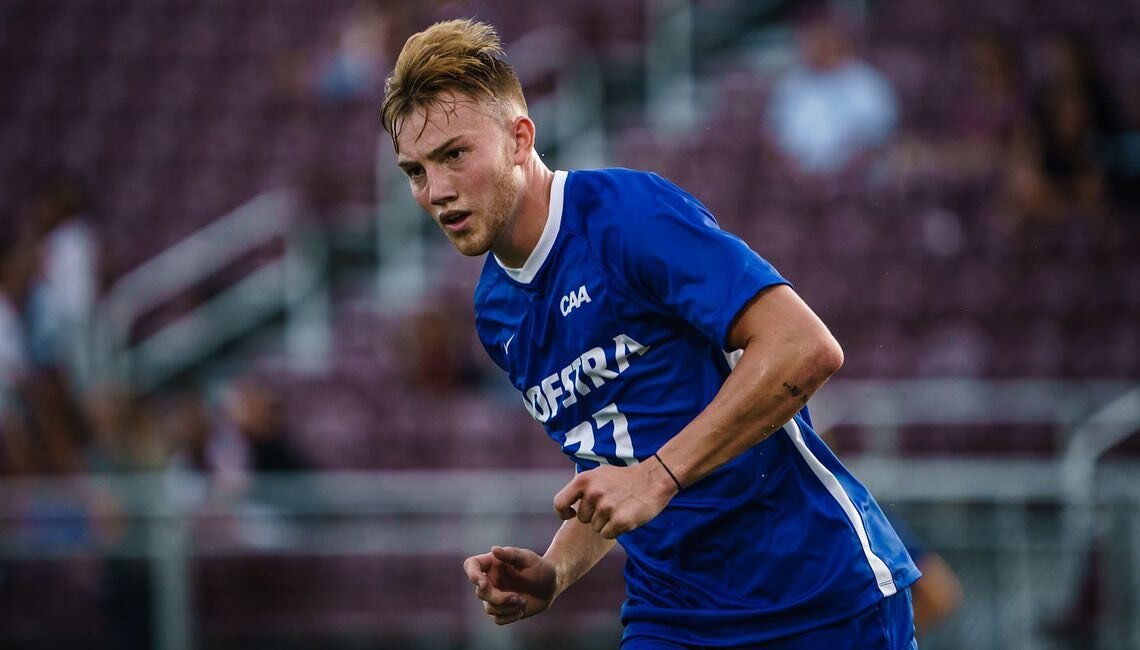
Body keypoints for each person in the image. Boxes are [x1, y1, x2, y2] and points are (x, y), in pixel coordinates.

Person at [380, 19, 921, 649]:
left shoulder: (626, 216)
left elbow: (805, 348)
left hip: (816, 596)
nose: (437, 191)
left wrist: (658, 476)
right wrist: (555, 571)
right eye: (415, 172)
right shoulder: (496, 312)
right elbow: (616, 464)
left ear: (520, 138)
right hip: (673, 616)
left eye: (454, 155)